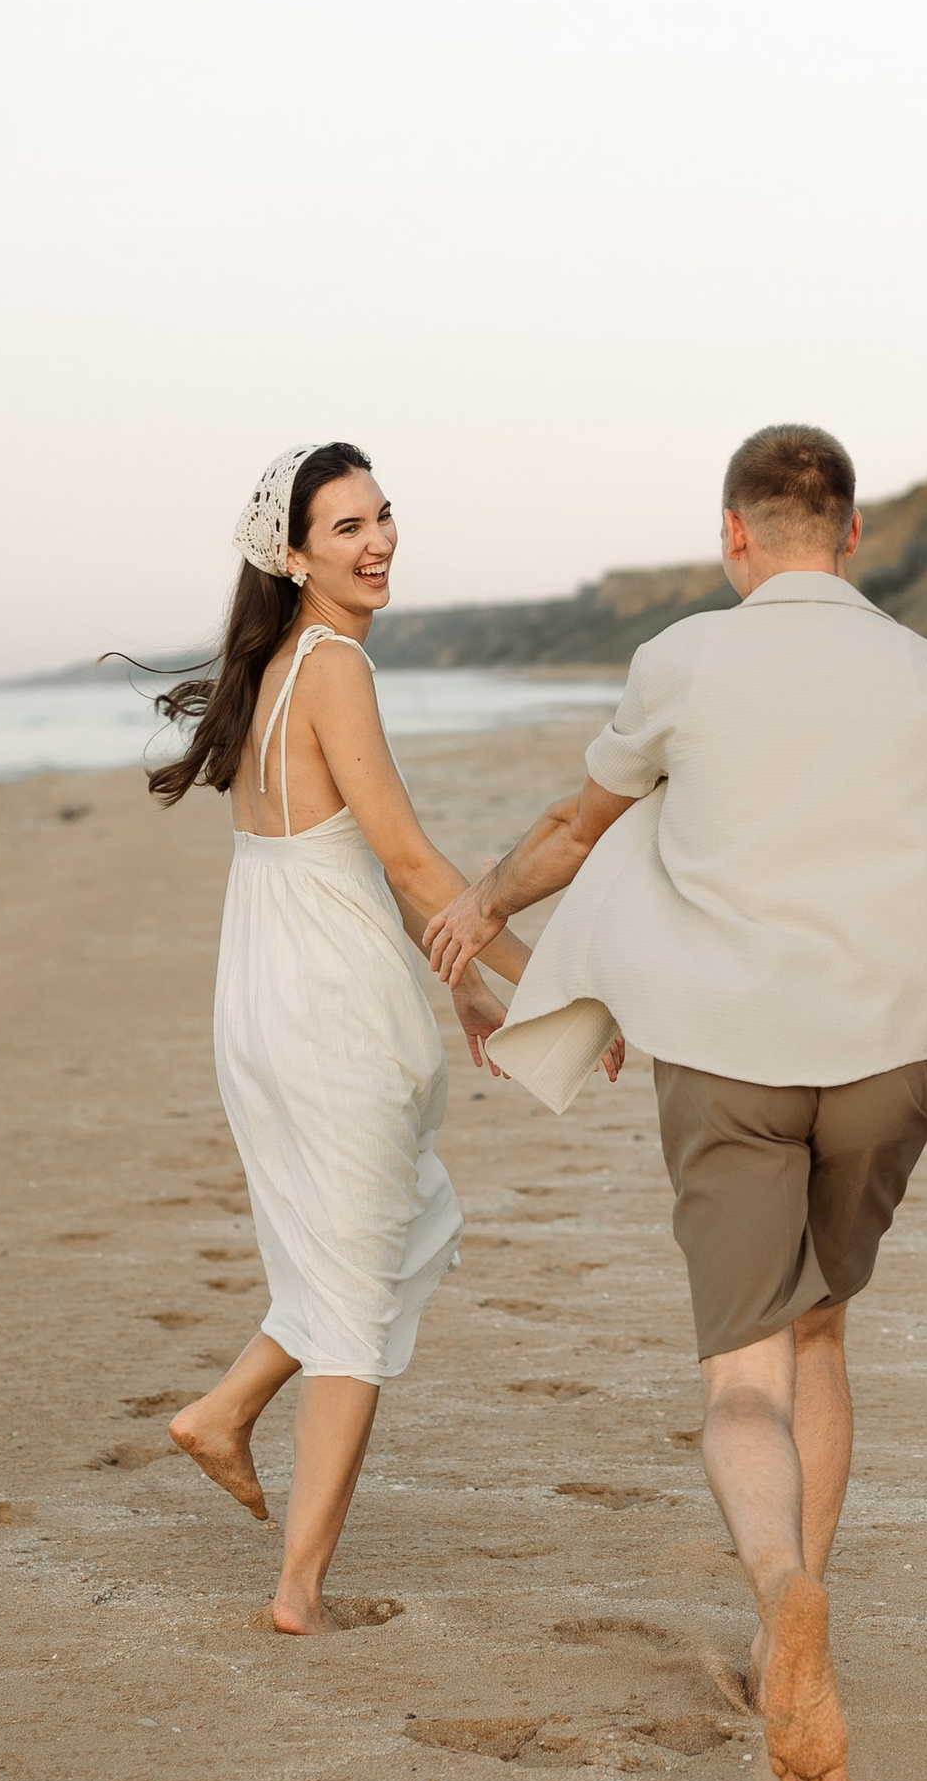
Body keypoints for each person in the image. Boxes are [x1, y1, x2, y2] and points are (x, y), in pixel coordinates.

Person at [426, 422, 927, 1781]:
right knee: (821, 1329)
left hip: (725, 1049)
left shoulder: (680, 660)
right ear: (853, 535)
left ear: (733, 534)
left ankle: (783, 1589)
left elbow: (579, 825)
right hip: (889, 1053)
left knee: (743, 1377)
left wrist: (483, 905)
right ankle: (797, 1619)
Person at [148, 443, 593, 1632]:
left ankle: (222, 1412)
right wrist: (557, 984)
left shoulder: (278, 667)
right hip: (326, 1007)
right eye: (346, 527)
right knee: (354, 1288)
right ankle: (299, 1590)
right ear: (293, 556)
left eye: (382, 515)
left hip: (269, 992)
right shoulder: (334, 664)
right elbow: (408, 857)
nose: (379, 539)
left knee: (367, 1246)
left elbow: (356, 863)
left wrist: (463, 981)